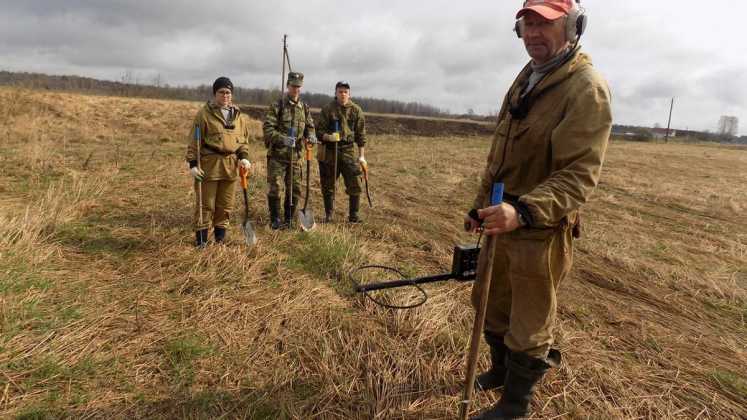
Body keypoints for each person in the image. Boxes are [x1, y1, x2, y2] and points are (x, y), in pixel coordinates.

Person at [464, 1, 612, 418]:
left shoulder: (586, 87)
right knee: (491, 304)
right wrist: (481, 207)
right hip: (501, 221)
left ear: (573, 26)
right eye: (527, 24)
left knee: (528, 323)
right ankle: (498, 371)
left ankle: (514, 405)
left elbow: (579, 174)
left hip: (539, 230)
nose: (532, 33)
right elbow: (501, 153)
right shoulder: (528, 77)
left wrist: (523, 211)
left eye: (544, 24)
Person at [186, 76, 252, 247]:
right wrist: (193, 164)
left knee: (225, 206)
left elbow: (243, 141)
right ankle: (201, 241)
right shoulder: (204, 114)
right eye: (221, 92)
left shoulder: (238, 117)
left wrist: (244, 157)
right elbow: (194, 141)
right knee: (206, 205)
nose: (225, 96)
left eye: (228, 92)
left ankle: (220, 240)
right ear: (215, 93)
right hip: (209, 167)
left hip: (230, 167)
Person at [262, 72, 317, 229]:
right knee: (275, 188)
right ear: (288, 86)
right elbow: (268, 129)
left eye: (298, 87)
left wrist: (311, 136)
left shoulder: (304, 108)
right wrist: (284, 139)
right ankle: (275, 219)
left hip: (295, 157)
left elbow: (310, 127)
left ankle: (289, 219)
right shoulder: (277, 106)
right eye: (293, 86)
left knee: (295, 189)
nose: (296, 89)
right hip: (278, 156)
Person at [315, 81, 367, 223]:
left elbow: (361, 136)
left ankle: (353, 216)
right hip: (330, 152)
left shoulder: (356, 110)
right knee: (328, 185)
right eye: (340, 91)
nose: (343, 94)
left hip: (348, 151)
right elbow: (318, 131)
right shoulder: (328, 109)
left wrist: (362, 156)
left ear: (349, 94)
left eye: (345, 91)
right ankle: (329, 215)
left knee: (355, 183)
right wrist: (328, 137)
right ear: (335, 93)